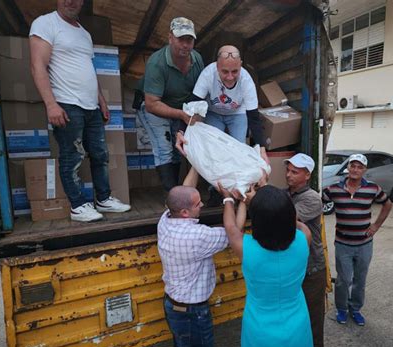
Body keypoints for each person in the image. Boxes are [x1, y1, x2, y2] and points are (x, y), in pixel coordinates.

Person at [29, 0, 130, 222]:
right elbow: (38, 66)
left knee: (100, 155)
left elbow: (88, 70)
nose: (71, 1)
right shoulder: (45, 24)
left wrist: (101, 100)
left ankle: (103, 198)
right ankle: (77, 206)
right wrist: (51, 104)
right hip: (66, 103)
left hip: (90, 106)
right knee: (72, 156)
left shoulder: (84, 34)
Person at [157, 167, 244, 347]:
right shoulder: (198, 236)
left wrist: (196, 163)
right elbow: (234, 231)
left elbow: (183, 191)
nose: (202, 204)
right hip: (191, 313)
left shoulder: (165, 221)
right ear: (185, 213)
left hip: (172, 306)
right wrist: (233, 200)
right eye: (198, 204)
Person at [220, 184, 314, 347]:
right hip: (297, 325)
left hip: (259, 329)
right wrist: (274, 202)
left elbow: (231, 229)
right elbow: (294, 222)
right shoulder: (304, 237)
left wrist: (228, 198)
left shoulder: (246, 248)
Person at [190, 45, 267, 206]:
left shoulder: (246, 80)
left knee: (238, 150)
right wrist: (187, 133)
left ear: (241, 66)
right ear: (217, 66)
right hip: (213, 113)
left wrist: (262, 149)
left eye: (235, 72)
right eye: (225, 72)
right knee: (214, 151)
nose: (230, 77)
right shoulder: (207, 74)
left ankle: (239, 190)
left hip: (238, 113)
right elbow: (193, 105)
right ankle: (215, 192)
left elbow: (254, 117)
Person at [323, 153, 392, 326]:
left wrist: (376, 225)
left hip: (364, 244)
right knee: (344, 280)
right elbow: (317, 201)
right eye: (352, 166)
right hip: (343, 244)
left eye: (359, 167)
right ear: (348, 168)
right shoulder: (334, 189)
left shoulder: (372, 188)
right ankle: (342, 309)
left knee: (360, 280)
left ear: (364, 170)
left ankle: (355, 309)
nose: (355, 169)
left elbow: (387, 204)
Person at [139, 17, 204, 192]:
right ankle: (172, 196)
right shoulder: (157, 62)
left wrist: (195, 114)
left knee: (178, 150)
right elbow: (152, 104)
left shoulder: (197, 60)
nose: (185, 44)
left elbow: (200, 93)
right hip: (154, 107)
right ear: (170, 38)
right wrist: (182, 115)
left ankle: (177, 193)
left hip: (180, 107)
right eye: (180, 39)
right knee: (164, 147)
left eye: (189, 40)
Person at [284, 153, 326, 347]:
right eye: (288, 170)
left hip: (311, 271)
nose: (288, 175)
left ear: (307, 175)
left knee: (313, 325)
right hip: (294, 270)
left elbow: (284, 217)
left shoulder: (312, 198)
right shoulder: (286, 194)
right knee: (294, 324)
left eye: (295, 172)